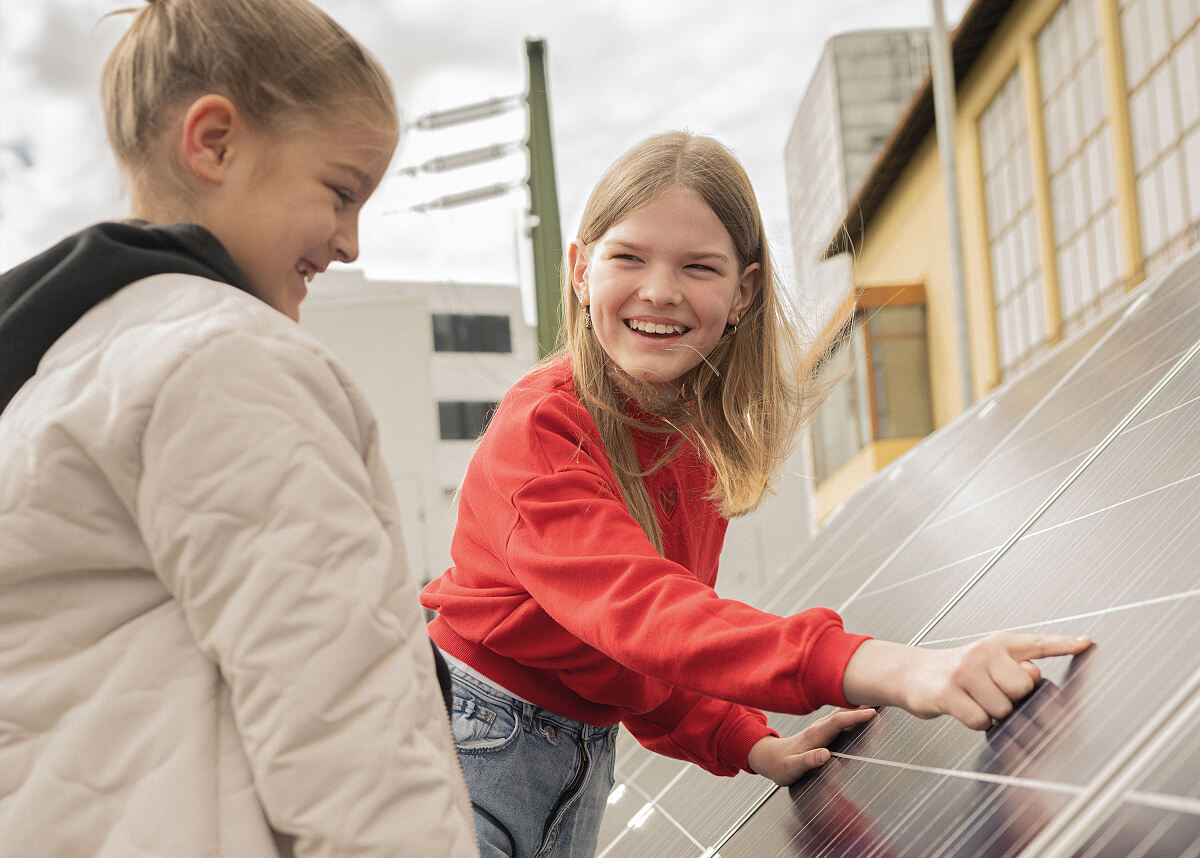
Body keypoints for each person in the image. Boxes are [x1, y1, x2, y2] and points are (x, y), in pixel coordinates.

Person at [420, 130, 1092, 858]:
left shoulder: (691, 440)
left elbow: (650, 656)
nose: (659, 290)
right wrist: (895, 667)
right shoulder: (543, 429)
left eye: (697, 267)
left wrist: (751, 741)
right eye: (628, 258)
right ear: (580, 270)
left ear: (743, 293)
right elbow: (643, 614)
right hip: (470, 748)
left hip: (573, 765)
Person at [0, 1, 478, 855]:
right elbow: (344, 716)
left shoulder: (55, 376)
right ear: (214, 142)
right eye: (340, 192)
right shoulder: (228, 367)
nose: (351, 243)